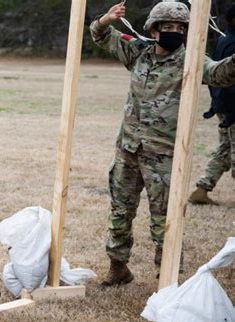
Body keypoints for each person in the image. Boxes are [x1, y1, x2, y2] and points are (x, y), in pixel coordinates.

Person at [90, 1, 235, 287]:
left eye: (180, 28)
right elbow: (101, 36)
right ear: (154, 29)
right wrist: (106, 19)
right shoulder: (139, 53)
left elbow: (221, 74)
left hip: (165, 155)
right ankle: (118, 269)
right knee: (120, 212)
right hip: (128, 149)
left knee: (165, 221)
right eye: (167, 27)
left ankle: (167, 280)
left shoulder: (190, 60)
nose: (174, 32)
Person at [188, 4, 235, 205]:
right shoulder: (231, 43)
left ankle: (202, 188)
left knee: (224, 149)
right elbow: (225, 79)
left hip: (224, 105)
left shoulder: (224, 39)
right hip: (231, 107)